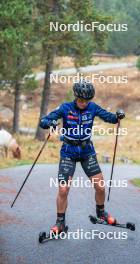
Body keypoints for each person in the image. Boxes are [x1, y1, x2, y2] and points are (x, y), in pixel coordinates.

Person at [40, 80, 125, 233]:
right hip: (68, 151)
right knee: (63, 190)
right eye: (81, 100)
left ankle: (101, 214)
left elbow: (110, 118)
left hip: (87, 151)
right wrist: (50, 122)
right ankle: (60, 223)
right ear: (76, 97)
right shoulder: (65, 108)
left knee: (100, 186)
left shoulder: (92, 108)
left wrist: (118, 116)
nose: (84, 103)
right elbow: (43, 121)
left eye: (87, 101)